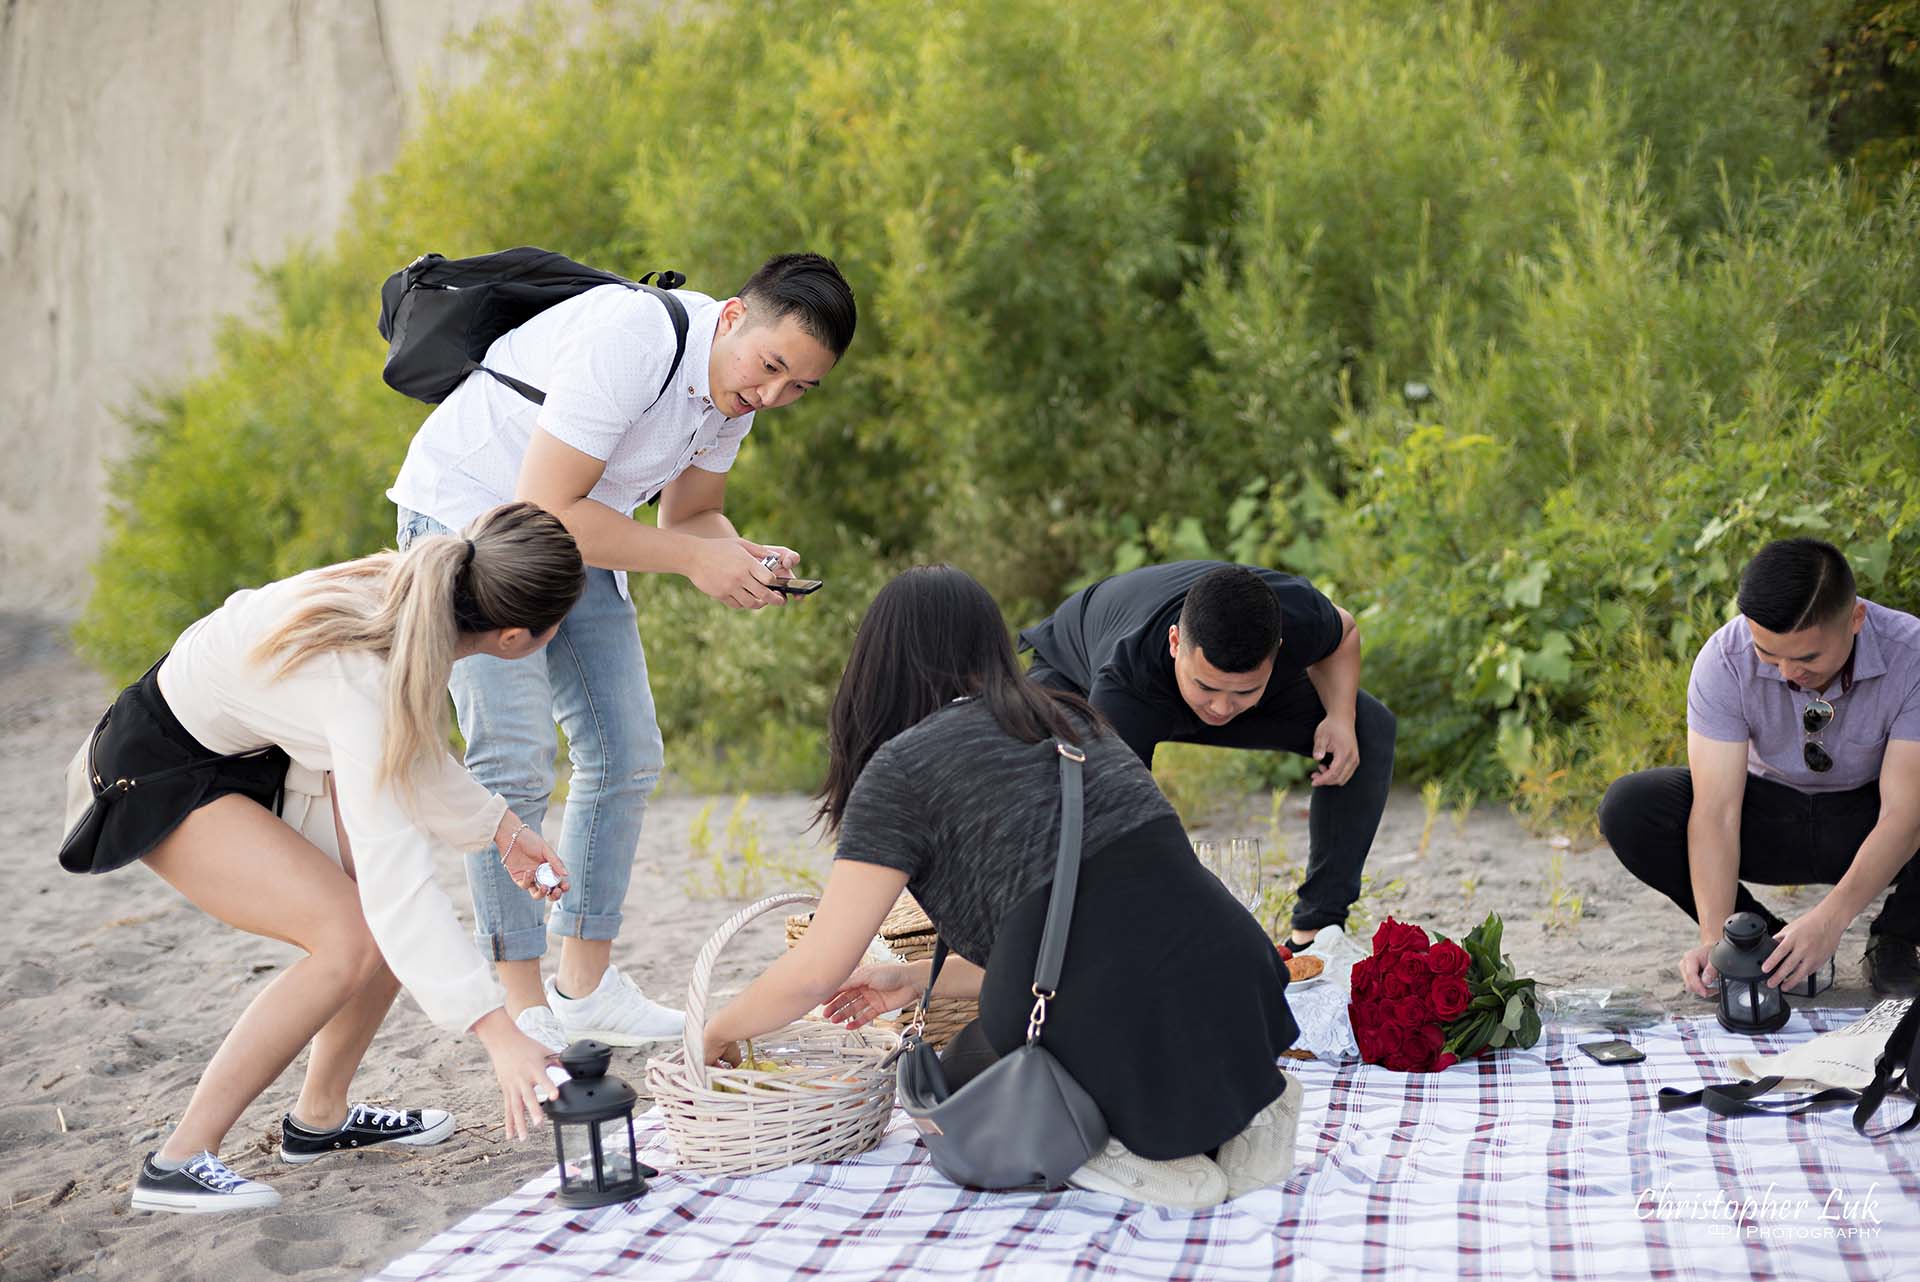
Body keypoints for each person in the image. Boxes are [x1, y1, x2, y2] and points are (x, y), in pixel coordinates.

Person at [700, 566, 1303, 1209]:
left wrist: (714, 1032)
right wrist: (911, 980)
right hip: (1237, 976)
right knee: (1056, 1002)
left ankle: (1114, 1147)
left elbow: (815, 972)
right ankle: (1252, 1108)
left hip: (1122, 1013)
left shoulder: (901, 769)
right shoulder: (1074, 720)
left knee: (972, 1065)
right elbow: (1090, 929)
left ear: (876, 666)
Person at [387, 253, 857, 1050]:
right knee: (514, 756)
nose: (774, 395)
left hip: (576, 528)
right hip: (470, 518)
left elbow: (690, 520)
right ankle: (522, 999)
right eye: (773, 367)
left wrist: (740, 554)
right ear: (736, 317)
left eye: (799, 389)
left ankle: (587, 987)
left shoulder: (734, 396)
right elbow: (546, 502)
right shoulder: (635, 340)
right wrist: (695, 560)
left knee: (626, 749)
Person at [61, 502, 584, 1213]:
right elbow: (399, 881)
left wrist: (500, 829)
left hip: (249, 756)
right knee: (352, 935)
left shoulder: (415, 593)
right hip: (151, 772)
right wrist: (499, 1034)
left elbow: (408, 758)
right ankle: (177, 1161)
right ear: (518, 637)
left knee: (369, 924)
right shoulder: (364, 683)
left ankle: (319, 1120)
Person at [1599, 537, 1920, 999]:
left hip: (1870, 820)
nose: (1788, 672)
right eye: (1770, 654)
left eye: (1807, 657)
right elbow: (1716, 812)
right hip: (1769, 818)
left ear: (1855, 619)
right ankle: (1757, 940)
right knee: (1630, 806)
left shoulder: (1910, 654)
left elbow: (1904, 817)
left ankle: (1897, 939)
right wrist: (1715, 938)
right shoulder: (1725, 658)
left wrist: (1831, 918)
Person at [1017, 560, 1395, 950]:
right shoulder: (1125, 680)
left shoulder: (1297, 614)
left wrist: (1339, 716)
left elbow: (1344, 628)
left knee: (1367, 727)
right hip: (1074, 671)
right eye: (1208, 687)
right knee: (1061, 796)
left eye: (1243, 691)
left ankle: (1317, 934)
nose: (1220, 708)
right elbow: (1122, 821)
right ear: (1176, 642)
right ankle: (1047, 949)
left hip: (1191, 682)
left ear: (1278, 651)